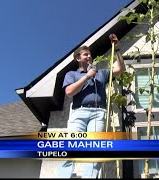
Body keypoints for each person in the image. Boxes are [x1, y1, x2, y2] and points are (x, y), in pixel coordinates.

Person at [57, 34, 126, 178]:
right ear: (78, 58)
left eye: (90, 54)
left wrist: (117, 49)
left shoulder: (101, 73)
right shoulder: (72, 74)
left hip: (98, 113)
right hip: (79, 114)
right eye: (85, 54)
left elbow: (121, 69)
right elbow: (69, 92)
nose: (89, 56)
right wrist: (87, 76)